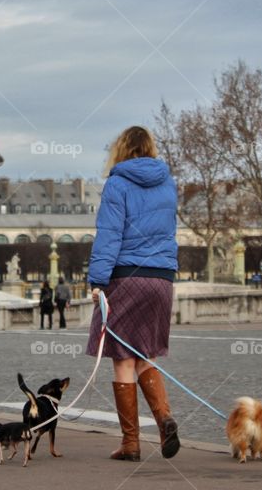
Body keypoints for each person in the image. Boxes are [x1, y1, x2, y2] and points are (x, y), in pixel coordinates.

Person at [86, 125, 180, 462]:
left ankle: (131, 444)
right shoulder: (169, 184)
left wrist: (97, 281)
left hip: (126, 278)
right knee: (147, 356)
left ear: (121, 150)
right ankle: (164, 418)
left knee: (123, 360)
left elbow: (109, 235)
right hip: (161, 279)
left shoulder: (118, 183)